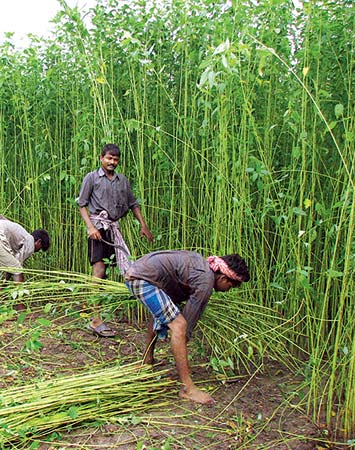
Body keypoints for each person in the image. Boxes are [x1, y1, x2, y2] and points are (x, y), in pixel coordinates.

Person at [124, 250, 250, 405]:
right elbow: (186, 325)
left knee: (163, 313)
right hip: (142, 280)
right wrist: (181, 340)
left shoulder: (201, 265)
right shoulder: (205, 283)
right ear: (223, 278)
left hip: (140, 273)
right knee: (179, 325)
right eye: (229, 286)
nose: (227, 290)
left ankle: (147, 360)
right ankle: (187, 388)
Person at [77, 143, 154, 337]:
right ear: (101, 158)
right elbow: (82, 204)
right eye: (109, 158)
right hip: (98, 229)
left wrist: (143, 225)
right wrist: (91, 227)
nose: (112, 162)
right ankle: (95, 320)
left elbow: (133, 204)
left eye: (116, 159)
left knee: (126, 269)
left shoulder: (122, 181)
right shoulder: (91, 178)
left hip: (114, 229)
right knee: (99, 272)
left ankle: (114, 314)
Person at [0, 213, 50, 287]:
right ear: (38, 242)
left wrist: (4, 282)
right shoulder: (30, 241)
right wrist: (4, 284)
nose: (37, 251)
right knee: (18, 270)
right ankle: (19, 295)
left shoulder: (20, 233)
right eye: (40, 248)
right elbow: (14, 267)